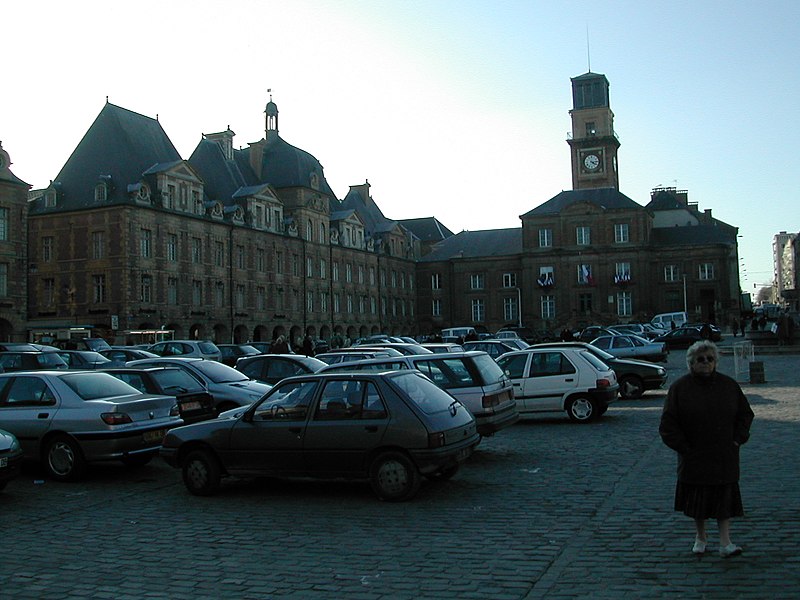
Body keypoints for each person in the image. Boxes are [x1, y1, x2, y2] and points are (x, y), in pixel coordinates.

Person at [659, 340, 754, 558]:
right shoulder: (680, 388)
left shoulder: (728, 385)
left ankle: (725, 541)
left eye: (710, 359)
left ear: (716, 362)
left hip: (723, 454)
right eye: (700, 360)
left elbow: (745, 415)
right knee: (697, 501)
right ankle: (700, 537)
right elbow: (668, 424)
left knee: (724, 499)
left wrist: (737, 440)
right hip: (694, 454)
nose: (705, 363)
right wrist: (683, 447)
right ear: (691, 363)